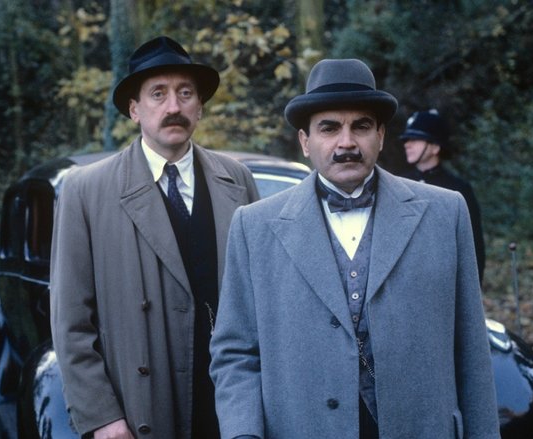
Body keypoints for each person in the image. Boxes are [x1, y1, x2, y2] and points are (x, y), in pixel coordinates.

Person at [209, 59, 499, 438]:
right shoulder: (254, 226)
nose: (346, 142)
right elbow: (235, 355)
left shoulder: (445, 213)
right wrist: (243, 434)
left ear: (380, 135)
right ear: (305, 142)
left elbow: (472, 352)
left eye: (360, 126)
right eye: (329, 128)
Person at [50, 36, 260, 439]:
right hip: (140, 408)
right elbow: (71, 322)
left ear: (200, 107)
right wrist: (102, 417)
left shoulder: (236, 180)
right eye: (158, 94)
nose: (173, 107)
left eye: (185, 93)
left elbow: (261, 301)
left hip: (229, 402)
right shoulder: (86, 191)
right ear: (134, 110)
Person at [400, 109, 486, 282]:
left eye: (415, 139)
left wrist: (470, 289)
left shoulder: (458, 189)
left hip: (444, 281)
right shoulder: (398, 185)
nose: (407, 144)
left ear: (435, 147)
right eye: (407, 140)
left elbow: (473, 247)